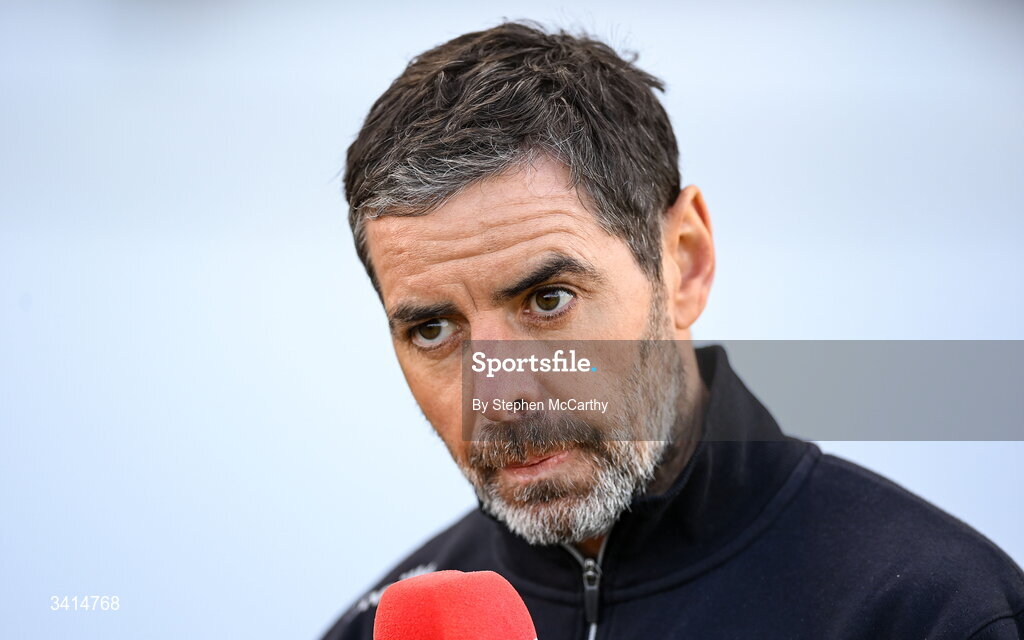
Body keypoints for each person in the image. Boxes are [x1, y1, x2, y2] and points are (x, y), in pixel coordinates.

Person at [323, 22, 1024, 639]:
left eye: (548, 299)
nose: (499, 396)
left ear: (685, 262)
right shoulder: (371, 630)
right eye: (434, 329)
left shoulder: (931, 612)